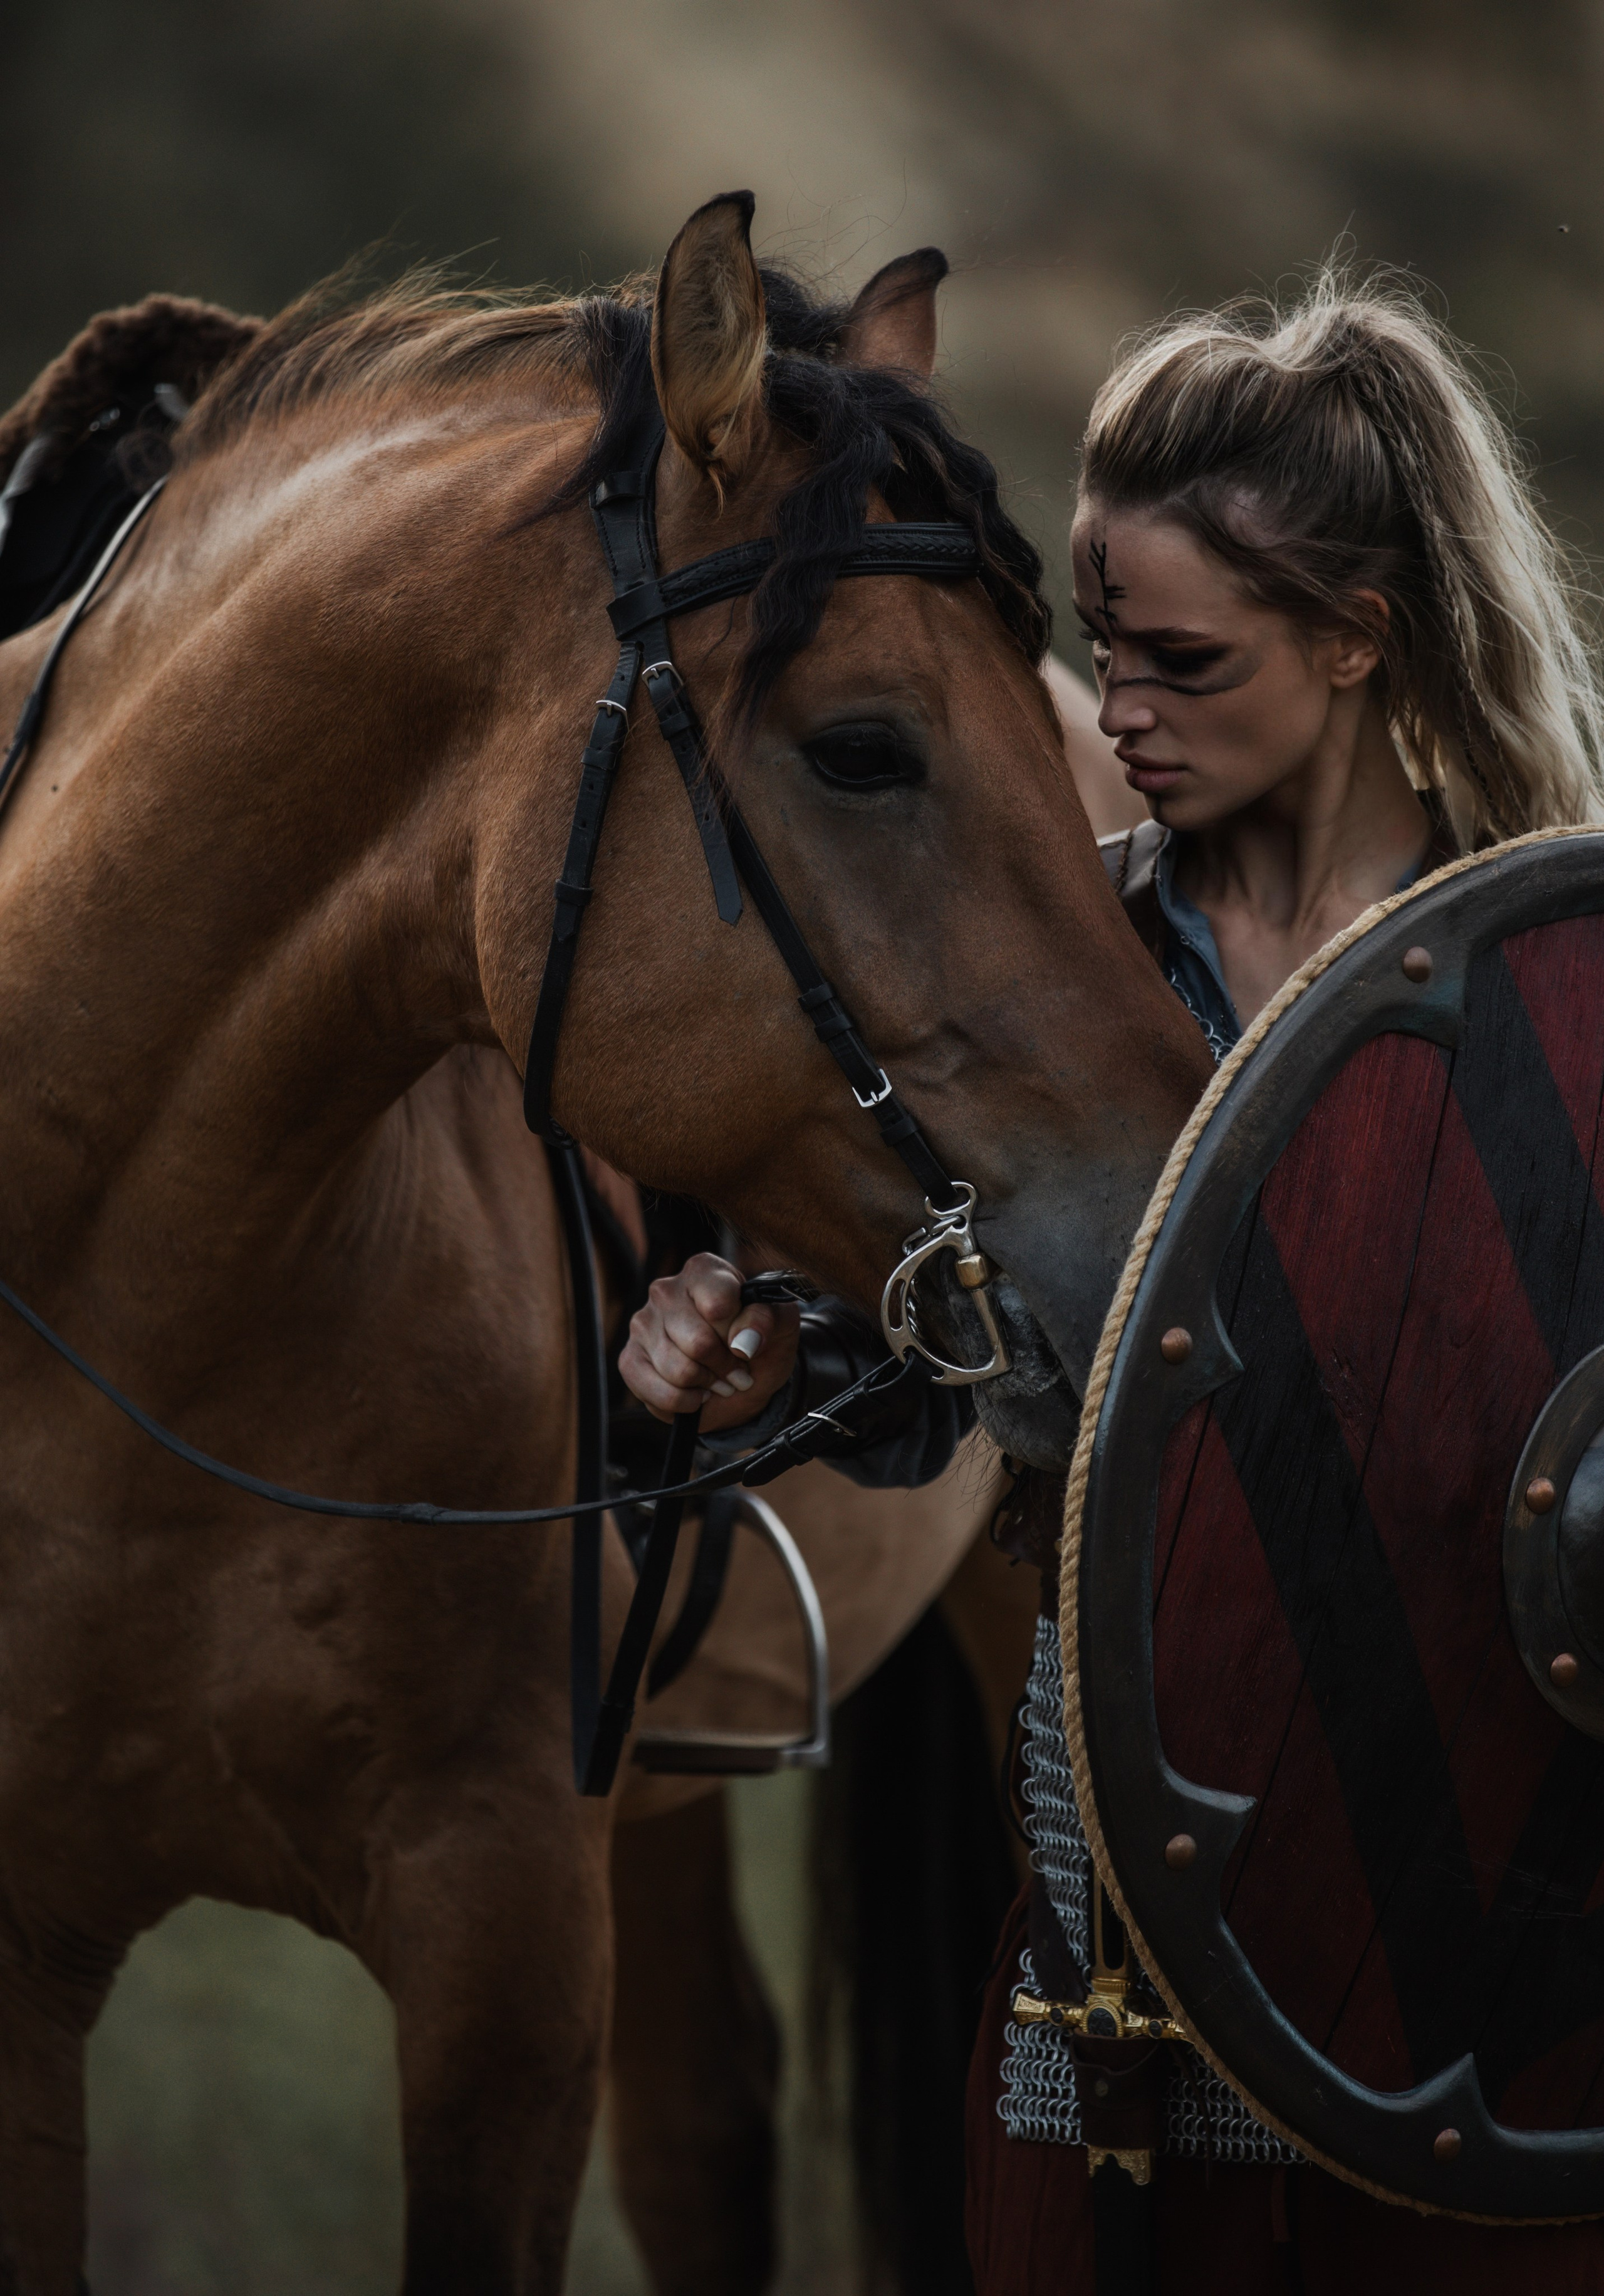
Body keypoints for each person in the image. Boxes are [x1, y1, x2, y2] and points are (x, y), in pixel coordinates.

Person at [618, 268, 1604, 2292]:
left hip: (1510, 1917)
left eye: (1178, 662)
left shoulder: (1557, 996)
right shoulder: (1072, 993)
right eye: (1100, 648)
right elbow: (932, 1379)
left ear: (1354, 640)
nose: (1115, 716)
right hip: (1146, 1921)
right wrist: (759, 1362)